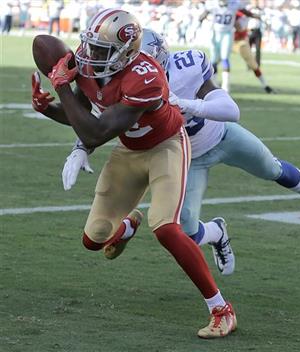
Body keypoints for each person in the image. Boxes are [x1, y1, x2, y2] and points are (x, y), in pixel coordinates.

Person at [62, 28, 300, 278]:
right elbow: (103, 122)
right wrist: (80, 147)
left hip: (221, 136)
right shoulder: (127, 82)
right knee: (186, 232)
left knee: (272, 168)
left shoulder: (186, 66)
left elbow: (231, 110)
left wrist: (189, 104)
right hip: (186, 158)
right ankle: (217, 232)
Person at [31, 9, 236, 338]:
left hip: (165, 147)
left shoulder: (146, 75)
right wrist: (48, 108)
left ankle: (221, 309)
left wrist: (63, 91)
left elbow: (98, 132)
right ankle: (126, 227)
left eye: (101, 49)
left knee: (167, 228)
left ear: (126, 51)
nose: (91, 55)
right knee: (93, 239)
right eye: (90, 45)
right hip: (129, 152)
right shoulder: (87, 63)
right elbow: (81, 116)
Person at [198, 0, 261, 92]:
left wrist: (255, 16)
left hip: (227, 33)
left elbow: (246, 12)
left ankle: (225, 86)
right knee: (214, 60)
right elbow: (203, 14)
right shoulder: (212, 3)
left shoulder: (234, 3)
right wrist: (201, 20)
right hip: (215, 33)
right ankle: (214, 84)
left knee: (225, 58)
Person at [234, 10, 275, 94]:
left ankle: (265, 85)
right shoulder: (232, 10)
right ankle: (215, 86)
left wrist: (262, 19)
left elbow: (243, 24)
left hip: (240, 40)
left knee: (253, 63)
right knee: (216, 61)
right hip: (226, 38)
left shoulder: (242, 12)